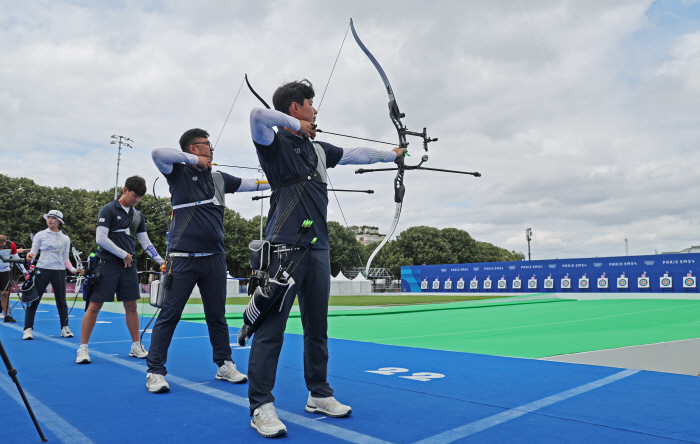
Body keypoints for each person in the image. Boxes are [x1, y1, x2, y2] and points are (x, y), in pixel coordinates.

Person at [246, 79, 404, 438]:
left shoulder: (317, 150)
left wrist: (394, 154)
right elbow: (256, 115)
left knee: (317, 328)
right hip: (285, 250)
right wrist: (290, 126)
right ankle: (261, 406)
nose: (315, 111)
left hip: (319, 248)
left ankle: (319, 394)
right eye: (310, 106)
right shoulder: (274, 144)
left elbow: (356, 154)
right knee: (271, 330)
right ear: (294, 109)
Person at [146, 129, 270, 394]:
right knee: (169, 315)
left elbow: (253, 183)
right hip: (183, 258)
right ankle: (155, 370)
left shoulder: (218, 178)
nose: (212, 149)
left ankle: (224, 364)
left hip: (214, 259)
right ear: (193, 148)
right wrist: (193, 162)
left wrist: (280, 180)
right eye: (207, 145)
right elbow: (157, 153)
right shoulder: (178, 172)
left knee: (217, 316)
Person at [76, 176, 164, 364]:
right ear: (125, 190)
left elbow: (145, 241)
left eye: (140, 197)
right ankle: (82, 348)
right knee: (94, 307)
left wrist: (160, 261)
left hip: (128, 266)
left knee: (131, 306)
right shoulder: (108, 209)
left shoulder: (138, 216)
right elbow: (100, 239)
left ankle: (135, 345)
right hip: (106, 264)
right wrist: (122, 253)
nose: (137, 200)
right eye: (134, 195)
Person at [23, 210, 80, 340]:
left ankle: (65, 328)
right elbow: (33, 253)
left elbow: (66, 259)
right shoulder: (40, 235)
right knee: (33, 300)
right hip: (42, 269)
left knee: (62, 301)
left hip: (59, 272)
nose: (50, 220)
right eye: (49, 217)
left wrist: (74, 270)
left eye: (53, 218)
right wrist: (29, 257)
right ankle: (28, 329)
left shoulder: (65, 238)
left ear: (59, 221)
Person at [0, 235, 27, 322]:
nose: (1, 246)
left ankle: (7, 316)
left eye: (2, 245)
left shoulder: (11, 245)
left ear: (5, 242)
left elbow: (16, 259)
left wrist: (24, 271)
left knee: (5, 294)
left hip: (5, 271)